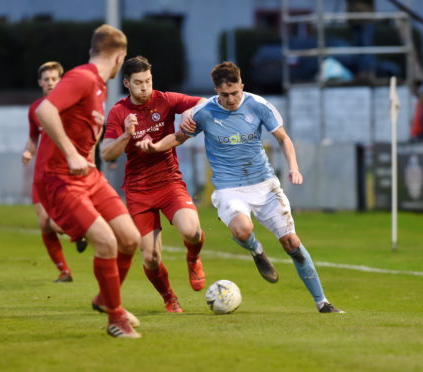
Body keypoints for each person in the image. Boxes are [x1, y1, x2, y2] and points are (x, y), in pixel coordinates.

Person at [139, 61, 344, 314]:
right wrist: (156, 147)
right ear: (216, 91)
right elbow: (179, 137)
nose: (231, 99)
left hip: (263, 183)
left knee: (291, 243)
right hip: (229, 188)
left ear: (242, 86)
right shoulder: (203, 112)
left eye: (235, 92)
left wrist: (294, 167)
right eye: (224, 95)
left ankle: (322, 302)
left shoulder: (259, 105)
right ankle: (257, 251)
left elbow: (283, 138)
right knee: (243, 229)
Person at [36, 24, 141, 338]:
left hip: (88, 177)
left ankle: (104, 298)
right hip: (60, 179)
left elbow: (86, 133)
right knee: (107, 242)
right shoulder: (82, 77)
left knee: (130, 238)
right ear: (120, 57)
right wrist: (70, 153)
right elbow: (45, 110)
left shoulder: (98, 84)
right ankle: (115, 318)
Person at [101, 56, 207, 313]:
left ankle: (193, 258)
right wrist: (126, 135)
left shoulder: (166, 99)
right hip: (138, 190)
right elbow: (106, 154)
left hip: (170, 182)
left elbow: (206, 103)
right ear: (126, 83)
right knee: (150, 257)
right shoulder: (119, 112)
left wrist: (190, 115)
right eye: (138, 83)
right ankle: (169, 297)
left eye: (148, 81)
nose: (145, 87)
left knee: (191, 231)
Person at [22, 61, 87, 283]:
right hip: (40, 174)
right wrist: (28, 152)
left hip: (62, 172)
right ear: (40, 82)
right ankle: (64, 271)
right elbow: (33, 137)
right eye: (46, 79)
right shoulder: (36, 109)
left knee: (56, 222)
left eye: (54, 79)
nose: (50, 83)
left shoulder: (69, 107)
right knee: (44, 223)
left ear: (61, 81)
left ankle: (79, 231)